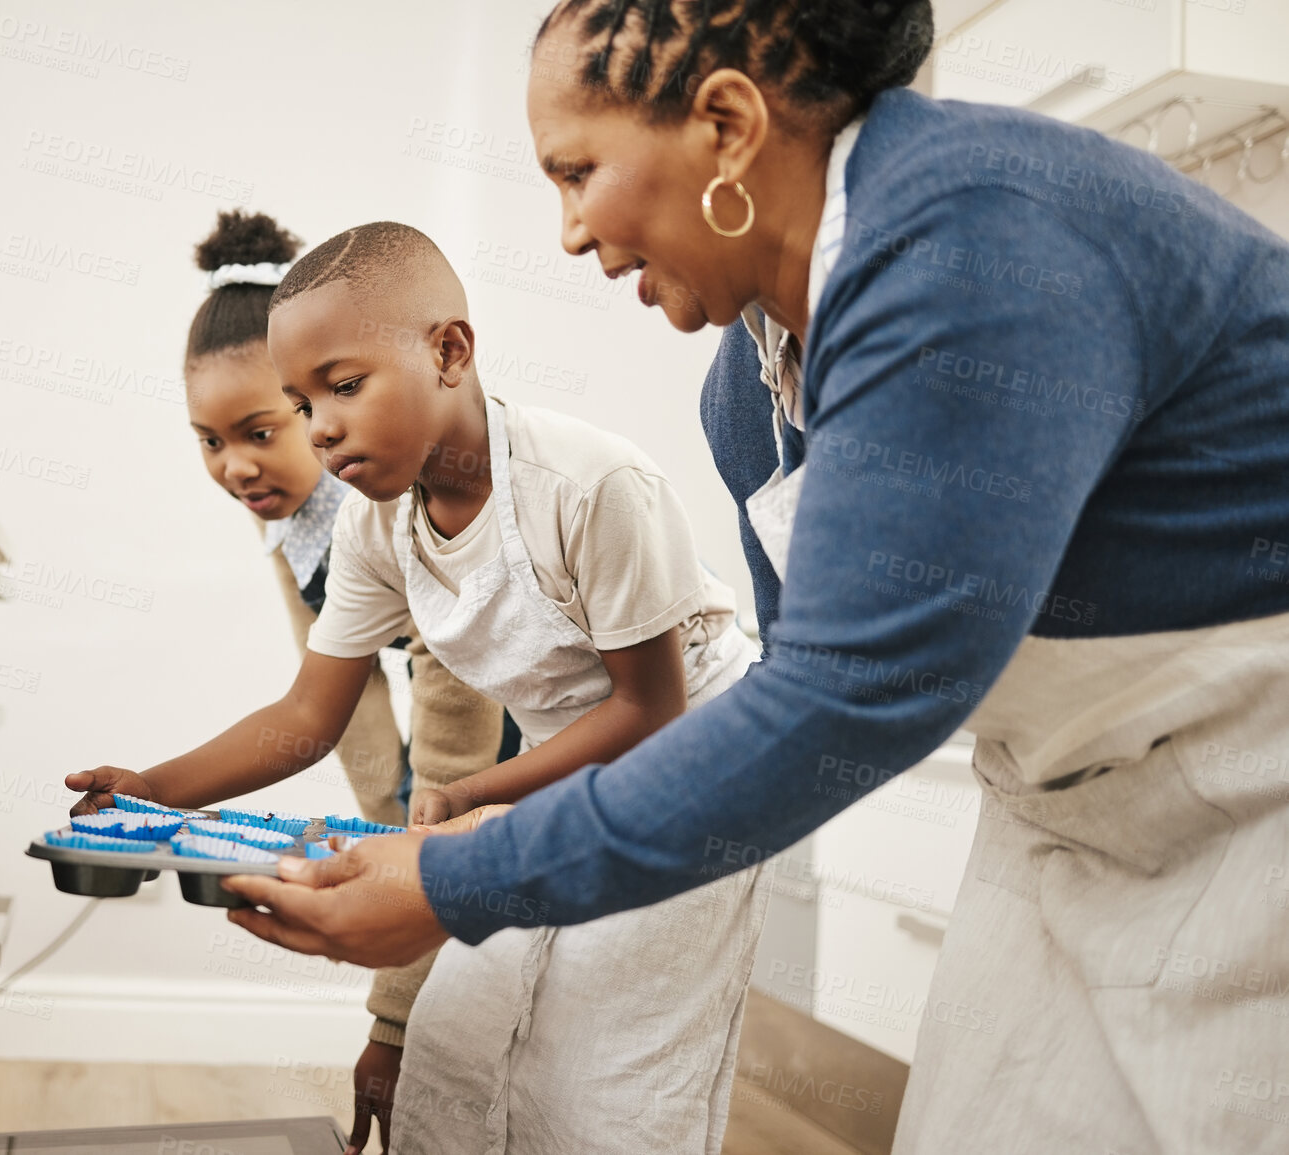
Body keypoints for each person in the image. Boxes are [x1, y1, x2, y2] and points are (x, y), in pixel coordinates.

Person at [221, 3, 1289, 1153]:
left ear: (726, 128)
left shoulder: (965, 248)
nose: (571, 230)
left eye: (578, 172)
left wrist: (458, 878)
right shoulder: (749, 391)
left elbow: (831, 706)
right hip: (1070, 813)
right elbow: (807, 687)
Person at [71, 220, 765, 1155]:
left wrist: (475, 793)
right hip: (556, 759)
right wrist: (156, 788)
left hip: (690, 762)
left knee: (606, 1069)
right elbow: (308, 717)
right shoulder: (371, 530)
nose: (321, 428)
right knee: (456, 1035)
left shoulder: (590, 486)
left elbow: (648, 710)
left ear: (448, 351)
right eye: (301, 402)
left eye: (344, 388)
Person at [104, 208, 511, 1149]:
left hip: (526, 750)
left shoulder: (393, 497)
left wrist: (409, 868)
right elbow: (334, 701)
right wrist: (374, 831)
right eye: (208, 441)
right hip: (467, 775)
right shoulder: (289, 517)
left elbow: (457, 704)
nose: (235, 467)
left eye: (256, 430)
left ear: (310, 404)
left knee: (495, 1019)